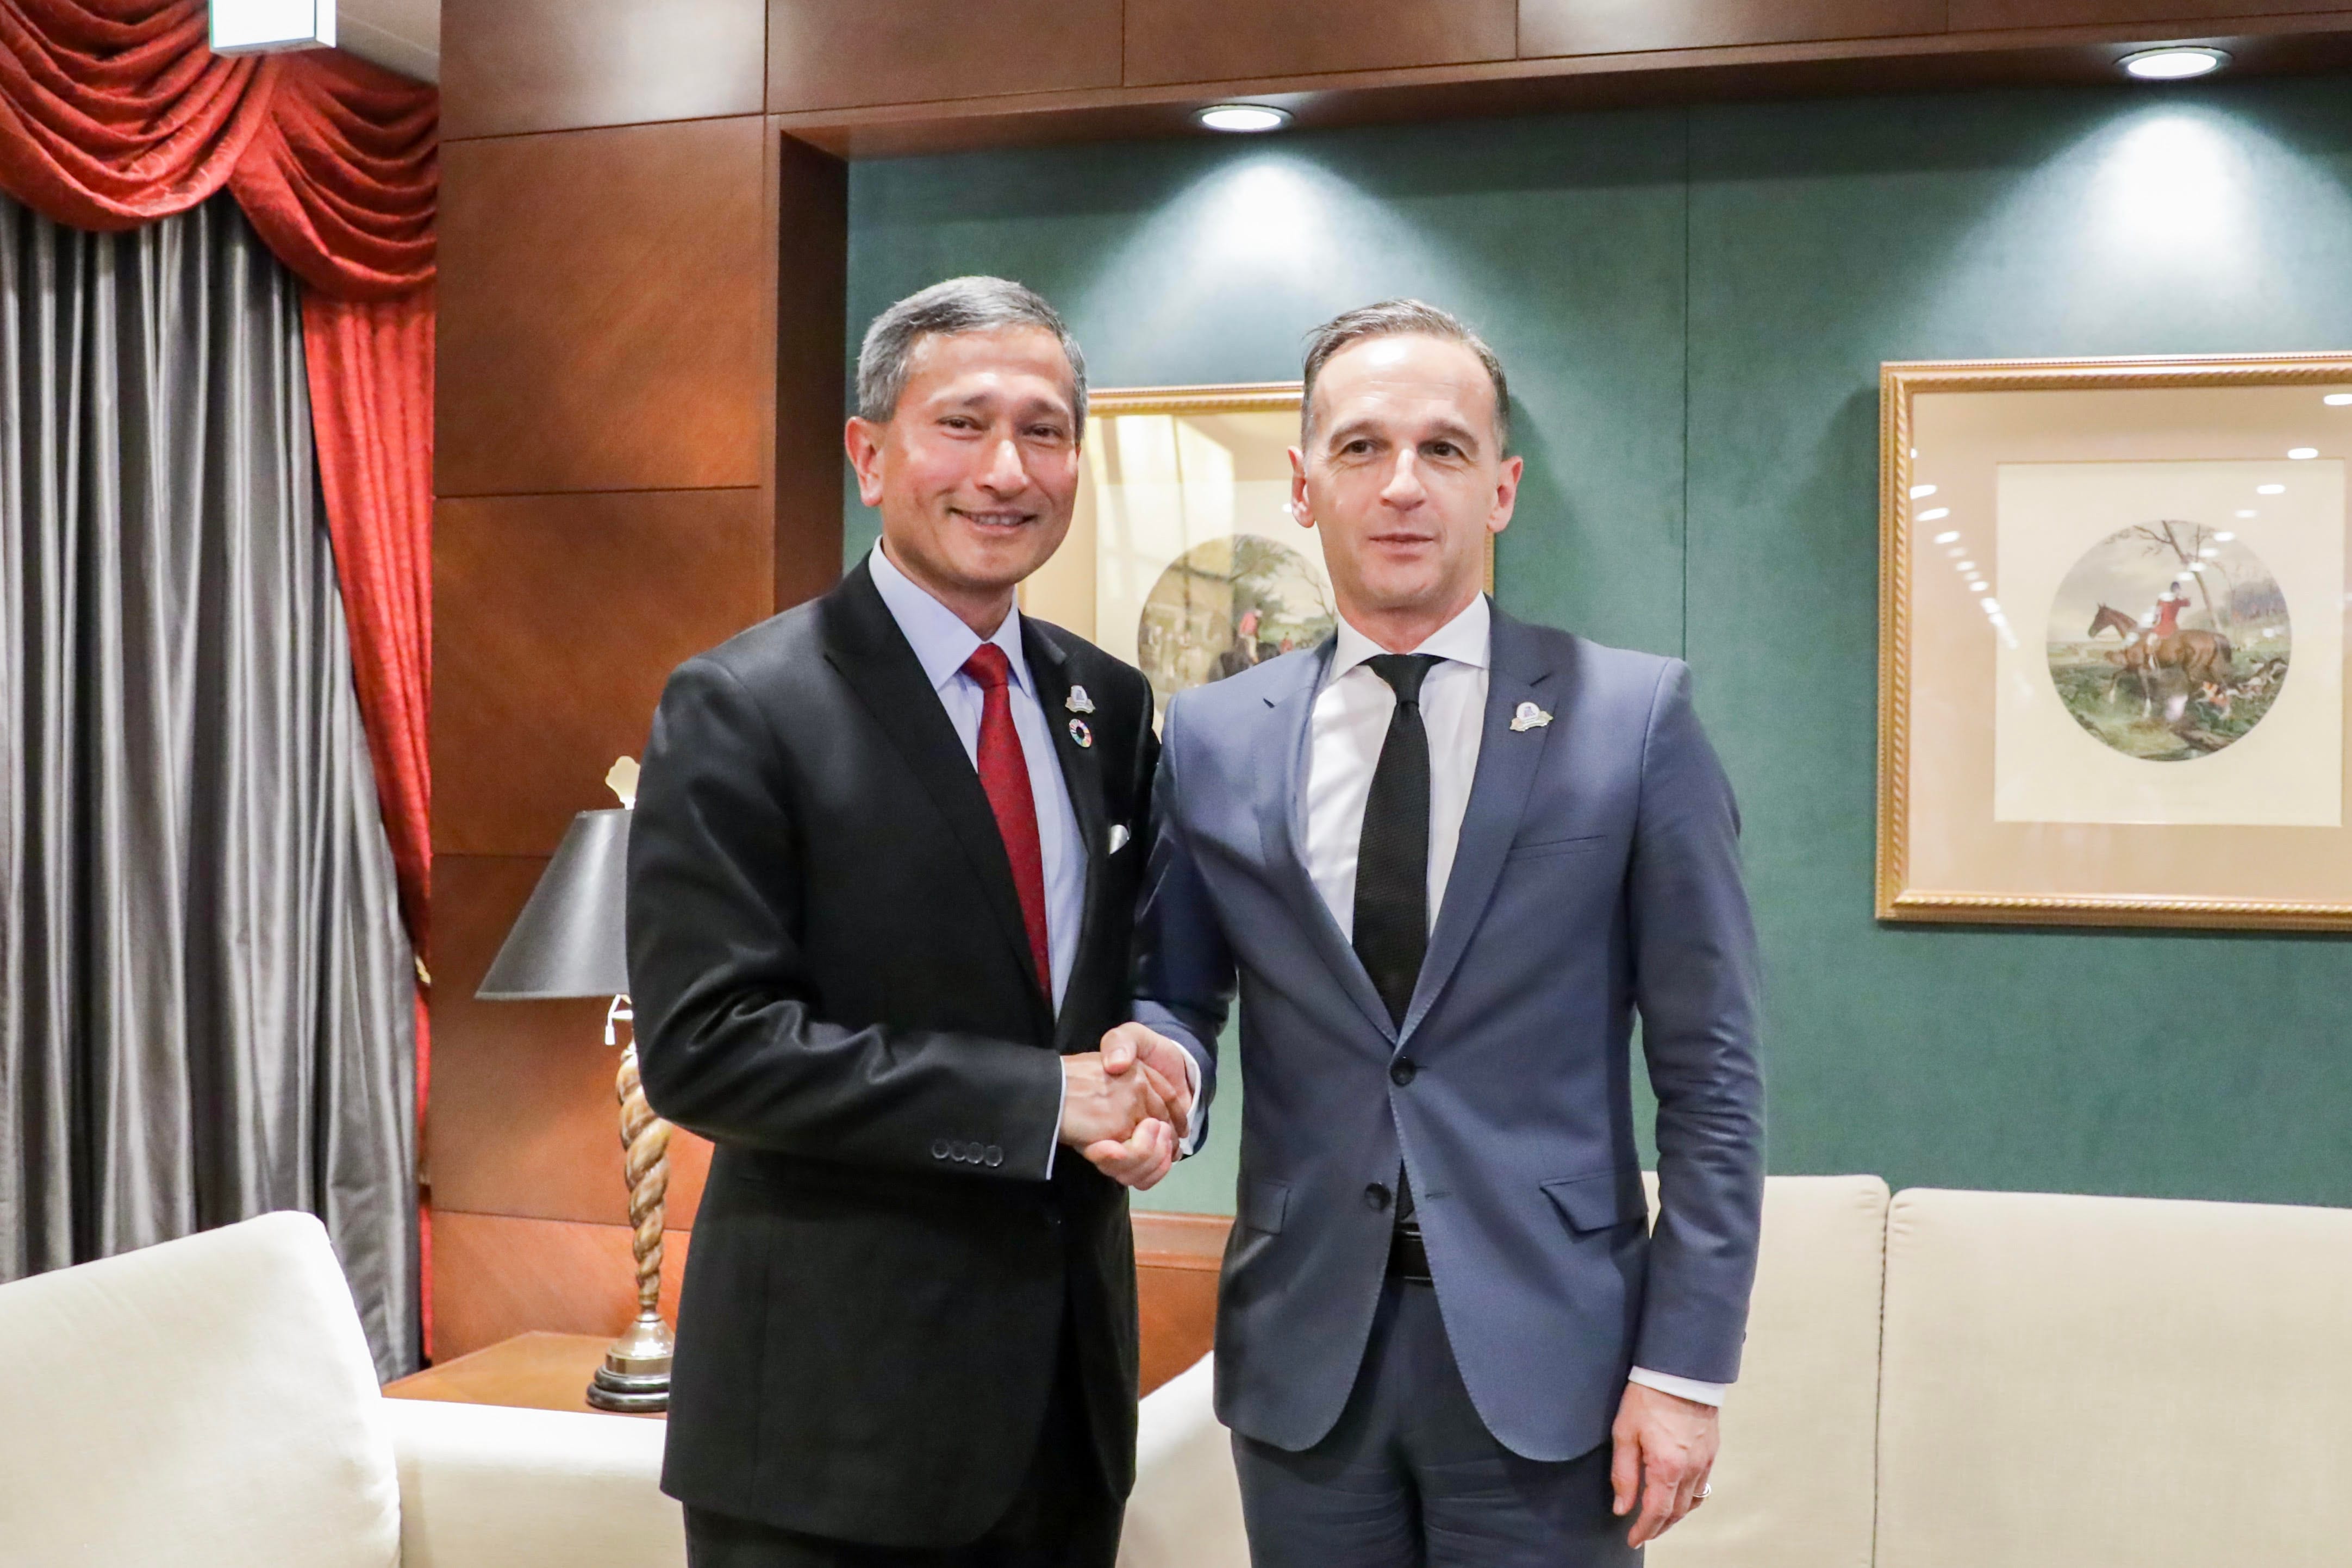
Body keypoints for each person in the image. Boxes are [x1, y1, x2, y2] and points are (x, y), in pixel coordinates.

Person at [1114, 299, 1764, 1565]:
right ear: (1304, 488)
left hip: (1553, 1363)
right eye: (1360, 449)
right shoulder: (1212, 737)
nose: (1401, 486)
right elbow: (1175, 996)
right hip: (1309, 1359)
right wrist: (1163, 1076)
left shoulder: (1632, 721)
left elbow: (1714, 1075)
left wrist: (1686, 1367)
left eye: (1444, 450)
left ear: (1502, 488)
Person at [627, 276, 1196, 1568]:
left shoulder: (1103, 704)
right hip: (831, 1429)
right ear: (870, 453)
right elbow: (708, 1046)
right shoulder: (742, 704)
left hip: (1066, 1411)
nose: (1007, 468)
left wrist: (1148, 1083)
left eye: (1045, 431)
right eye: (963, 423)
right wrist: (1038, 1102)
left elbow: (1115, 989)